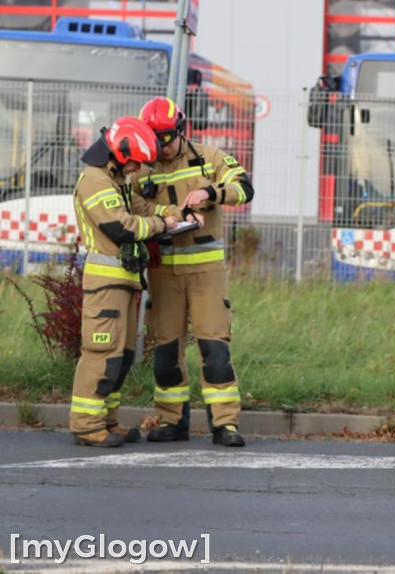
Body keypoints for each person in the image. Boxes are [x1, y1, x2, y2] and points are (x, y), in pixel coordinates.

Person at [70, 116, 200, 447]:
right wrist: (162, 226)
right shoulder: (95, 181)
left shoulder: (117, 179)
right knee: (101, 353)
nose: (136, 171)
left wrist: (174, 215)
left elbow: (141, 208)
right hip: (105, 284)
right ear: (120, 151)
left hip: (124, 280)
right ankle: (86, 424)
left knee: (121, 356)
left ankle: (107, 421)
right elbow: (122, 226)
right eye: (135, 163)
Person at [135, 96, 254, 447]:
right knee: (165, 351)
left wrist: (212, 192)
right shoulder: (143, 167)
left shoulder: (209, 157)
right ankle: (172, 421)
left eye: (168, 137)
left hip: (205, 271)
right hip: (163, 271)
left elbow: (244, 187)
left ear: (181, 130)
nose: (163, 146)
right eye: (156, 139)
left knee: (214, 348)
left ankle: (225, 424)